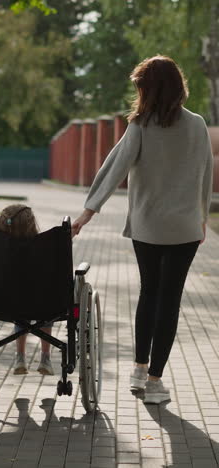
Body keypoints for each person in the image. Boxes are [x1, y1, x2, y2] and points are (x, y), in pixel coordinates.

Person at [72, 55, 213, 404]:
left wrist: (87, 212)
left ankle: (138, 368)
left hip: (148, 227)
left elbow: (114, 167)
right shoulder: (197, 124)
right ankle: (154, 382)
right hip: (185, 227)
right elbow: (205, 174)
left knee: (149, 294)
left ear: (149, 89)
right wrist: (203, 218)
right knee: (170, 300)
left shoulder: (140, 125)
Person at [0, 204, 54, 376]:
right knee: (46, 301)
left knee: (19, 306)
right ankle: (45, 357)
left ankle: (20, 357)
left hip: (6, 302)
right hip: (43, 303)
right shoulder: (45, 248)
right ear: (31, 224)